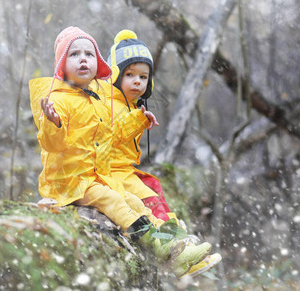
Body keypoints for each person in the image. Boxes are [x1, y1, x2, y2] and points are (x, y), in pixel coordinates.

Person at [29, 26, 211, 277]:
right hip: (69, 181)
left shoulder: (98, 97)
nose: (83, 59)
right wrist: (52, 122)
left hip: (95, 175)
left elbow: (112, 135)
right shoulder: (57, 100)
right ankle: (156, 248)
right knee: (113, 200)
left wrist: (139, 120)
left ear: (98, 62)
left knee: (136, 201)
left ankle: (173, 251)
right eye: (74, 55)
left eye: (89, 54)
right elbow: (52, 145)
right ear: (61, 63)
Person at [106, 29, 222, 277]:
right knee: (145, 201)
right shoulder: (107, 104)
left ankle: (182, 248)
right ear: (114, 75)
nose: (137, 81)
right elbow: (112, 135)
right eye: (129, 74)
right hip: (109, 173)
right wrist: (137, 120)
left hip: (124, 170)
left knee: (155, 189)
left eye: (143, 76)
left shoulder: (132, 105)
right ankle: (171, 251)